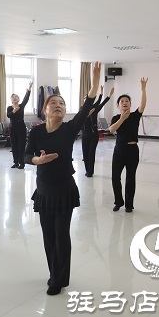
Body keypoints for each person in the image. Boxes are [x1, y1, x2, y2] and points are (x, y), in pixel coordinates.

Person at [24, 62, 101, 296]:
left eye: (62, 104)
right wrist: (38, 160)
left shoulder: (69, 129)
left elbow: (87, 106)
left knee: (61, 236)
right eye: (53, 103)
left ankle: (59, 280)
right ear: (44, 109)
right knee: (48, 237)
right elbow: (25, 155)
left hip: (64, 190)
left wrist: (94, 83)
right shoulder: (36, 131)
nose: (58, 106)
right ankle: (53, 273)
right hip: (43, 191)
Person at [108, 78, 148, 212]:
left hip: (132, 150)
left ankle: (129, 205)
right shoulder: (116, 118)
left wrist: (143, 90)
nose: (124, 103)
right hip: (119, 150)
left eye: (127, 101)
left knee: (130, 178)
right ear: (118, 105)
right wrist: (122, 118)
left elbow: (143, 105)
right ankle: (118, 201)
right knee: (115, 177)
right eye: (122, 101)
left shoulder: (135, 116)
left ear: (130, 104)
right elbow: (111, 129)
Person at [82, 85, 113, 177]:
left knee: (91, 153)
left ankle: (90, 171)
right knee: (85, 154)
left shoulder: (94, 109)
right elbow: (82, 117)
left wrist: (107, 95)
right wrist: (88, 113)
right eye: (85, 99)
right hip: (85, 135)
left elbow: (101, 103)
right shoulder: (81, 110)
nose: (86, 100)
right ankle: (87, 170)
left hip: (93, 135)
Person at [7, 81, 33, 169]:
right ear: (11, 100)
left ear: (18, 99)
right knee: (14, 146)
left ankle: (22, 163)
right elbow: (9, 115)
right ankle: (15, 162)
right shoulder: (9, 108)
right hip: (12, 128)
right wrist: (14, 111)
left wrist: (29, 89)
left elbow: (26, 98)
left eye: (16, 97)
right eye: (12, 97)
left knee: (21, 146)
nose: (14, 98)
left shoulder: (21, 106)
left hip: (21, 127)